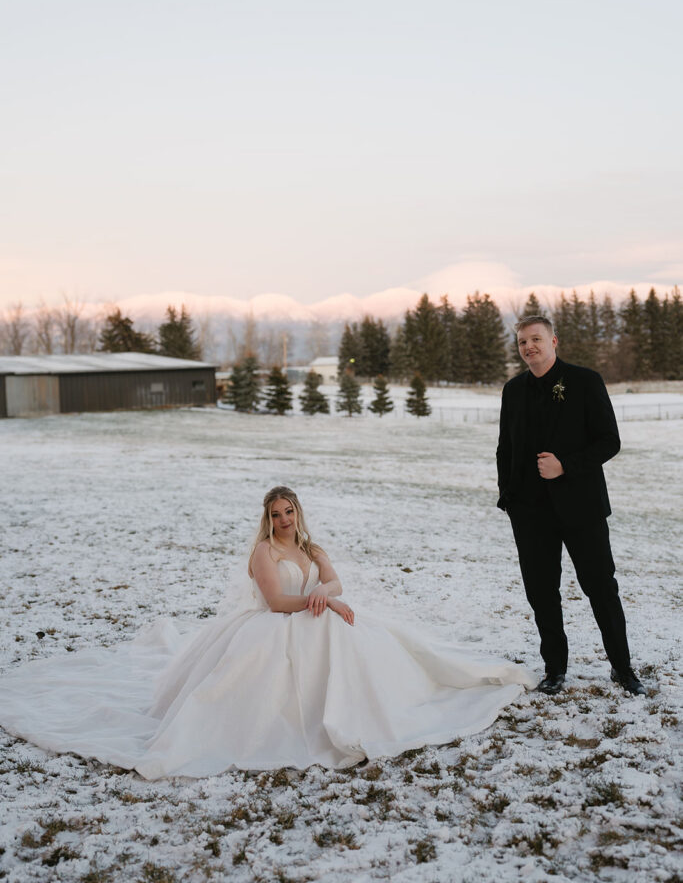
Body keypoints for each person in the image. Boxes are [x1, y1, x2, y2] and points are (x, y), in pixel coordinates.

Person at [0, 486, 534, 778]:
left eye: (289, 511)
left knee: (368, 640)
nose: (283, 519)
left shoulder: (310, 546)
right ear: (267, 517)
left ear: (298, 511)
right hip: (273, 623)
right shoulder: (264, 552)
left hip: (315, 612)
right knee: (301, 648)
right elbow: (277, 601)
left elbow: (335, 577)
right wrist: (316, 599)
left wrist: (329, 593)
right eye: (276, 514)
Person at [496, 316, 644, 696]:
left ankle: (623, 669)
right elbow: (505, 449)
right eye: (522, 342)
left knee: (601, 588)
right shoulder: (512, 391)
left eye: (536, 339)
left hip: (582, 509)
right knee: (542, 594)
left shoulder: (585, 381)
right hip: (530, 513)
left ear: (553, 341)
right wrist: (509, 497)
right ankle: (555, 669)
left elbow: (609, 441)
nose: (529, 346)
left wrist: (565, 465)